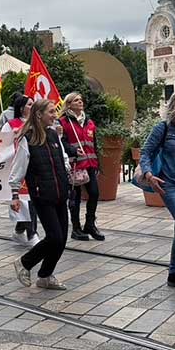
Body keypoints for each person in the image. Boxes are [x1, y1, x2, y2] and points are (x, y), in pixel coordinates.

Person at [10, 99, 71, 291]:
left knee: (62, 238)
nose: (55, 115)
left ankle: (45, 276)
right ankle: (25, 263)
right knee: (54, 236)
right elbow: (18, 168)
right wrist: (14, 195)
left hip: (60, 192)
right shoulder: (27, 139)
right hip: (42, 195)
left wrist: (68, 172)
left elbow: (62, 158)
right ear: (39, 114)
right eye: (51, 112)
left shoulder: (53, 135)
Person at [139, 93, 175, 289]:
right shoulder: (164, 128)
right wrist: (149, 174)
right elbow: (146, 152)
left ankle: (174, 272)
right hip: (169, 184)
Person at [59, 92, 104, 241]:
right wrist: (72, 150)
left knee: (94, 193)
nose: (80, 102)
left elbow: (94, 144)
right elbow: (61, 143)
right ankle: (76, 227)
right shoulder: (63, 122)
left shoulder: (90, 122)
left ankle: (90, 224)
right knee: (75, 197)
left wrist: (98, 164)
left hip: (90, 164)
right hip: (74, 165)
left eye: (81, 100)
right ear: (69, 104)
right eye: (76, 100)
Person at [2, 95, 39, 246]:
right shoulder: (11, 125)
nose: (32, 106)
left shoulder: (38, 124)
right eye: (30, 104)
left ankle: (19, 231)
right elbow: (3, 145)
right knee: (25, 202)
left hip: (35, 167)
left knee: (32, 201)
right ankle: (32, 234)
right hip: (18, 167)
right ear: (21, 107)